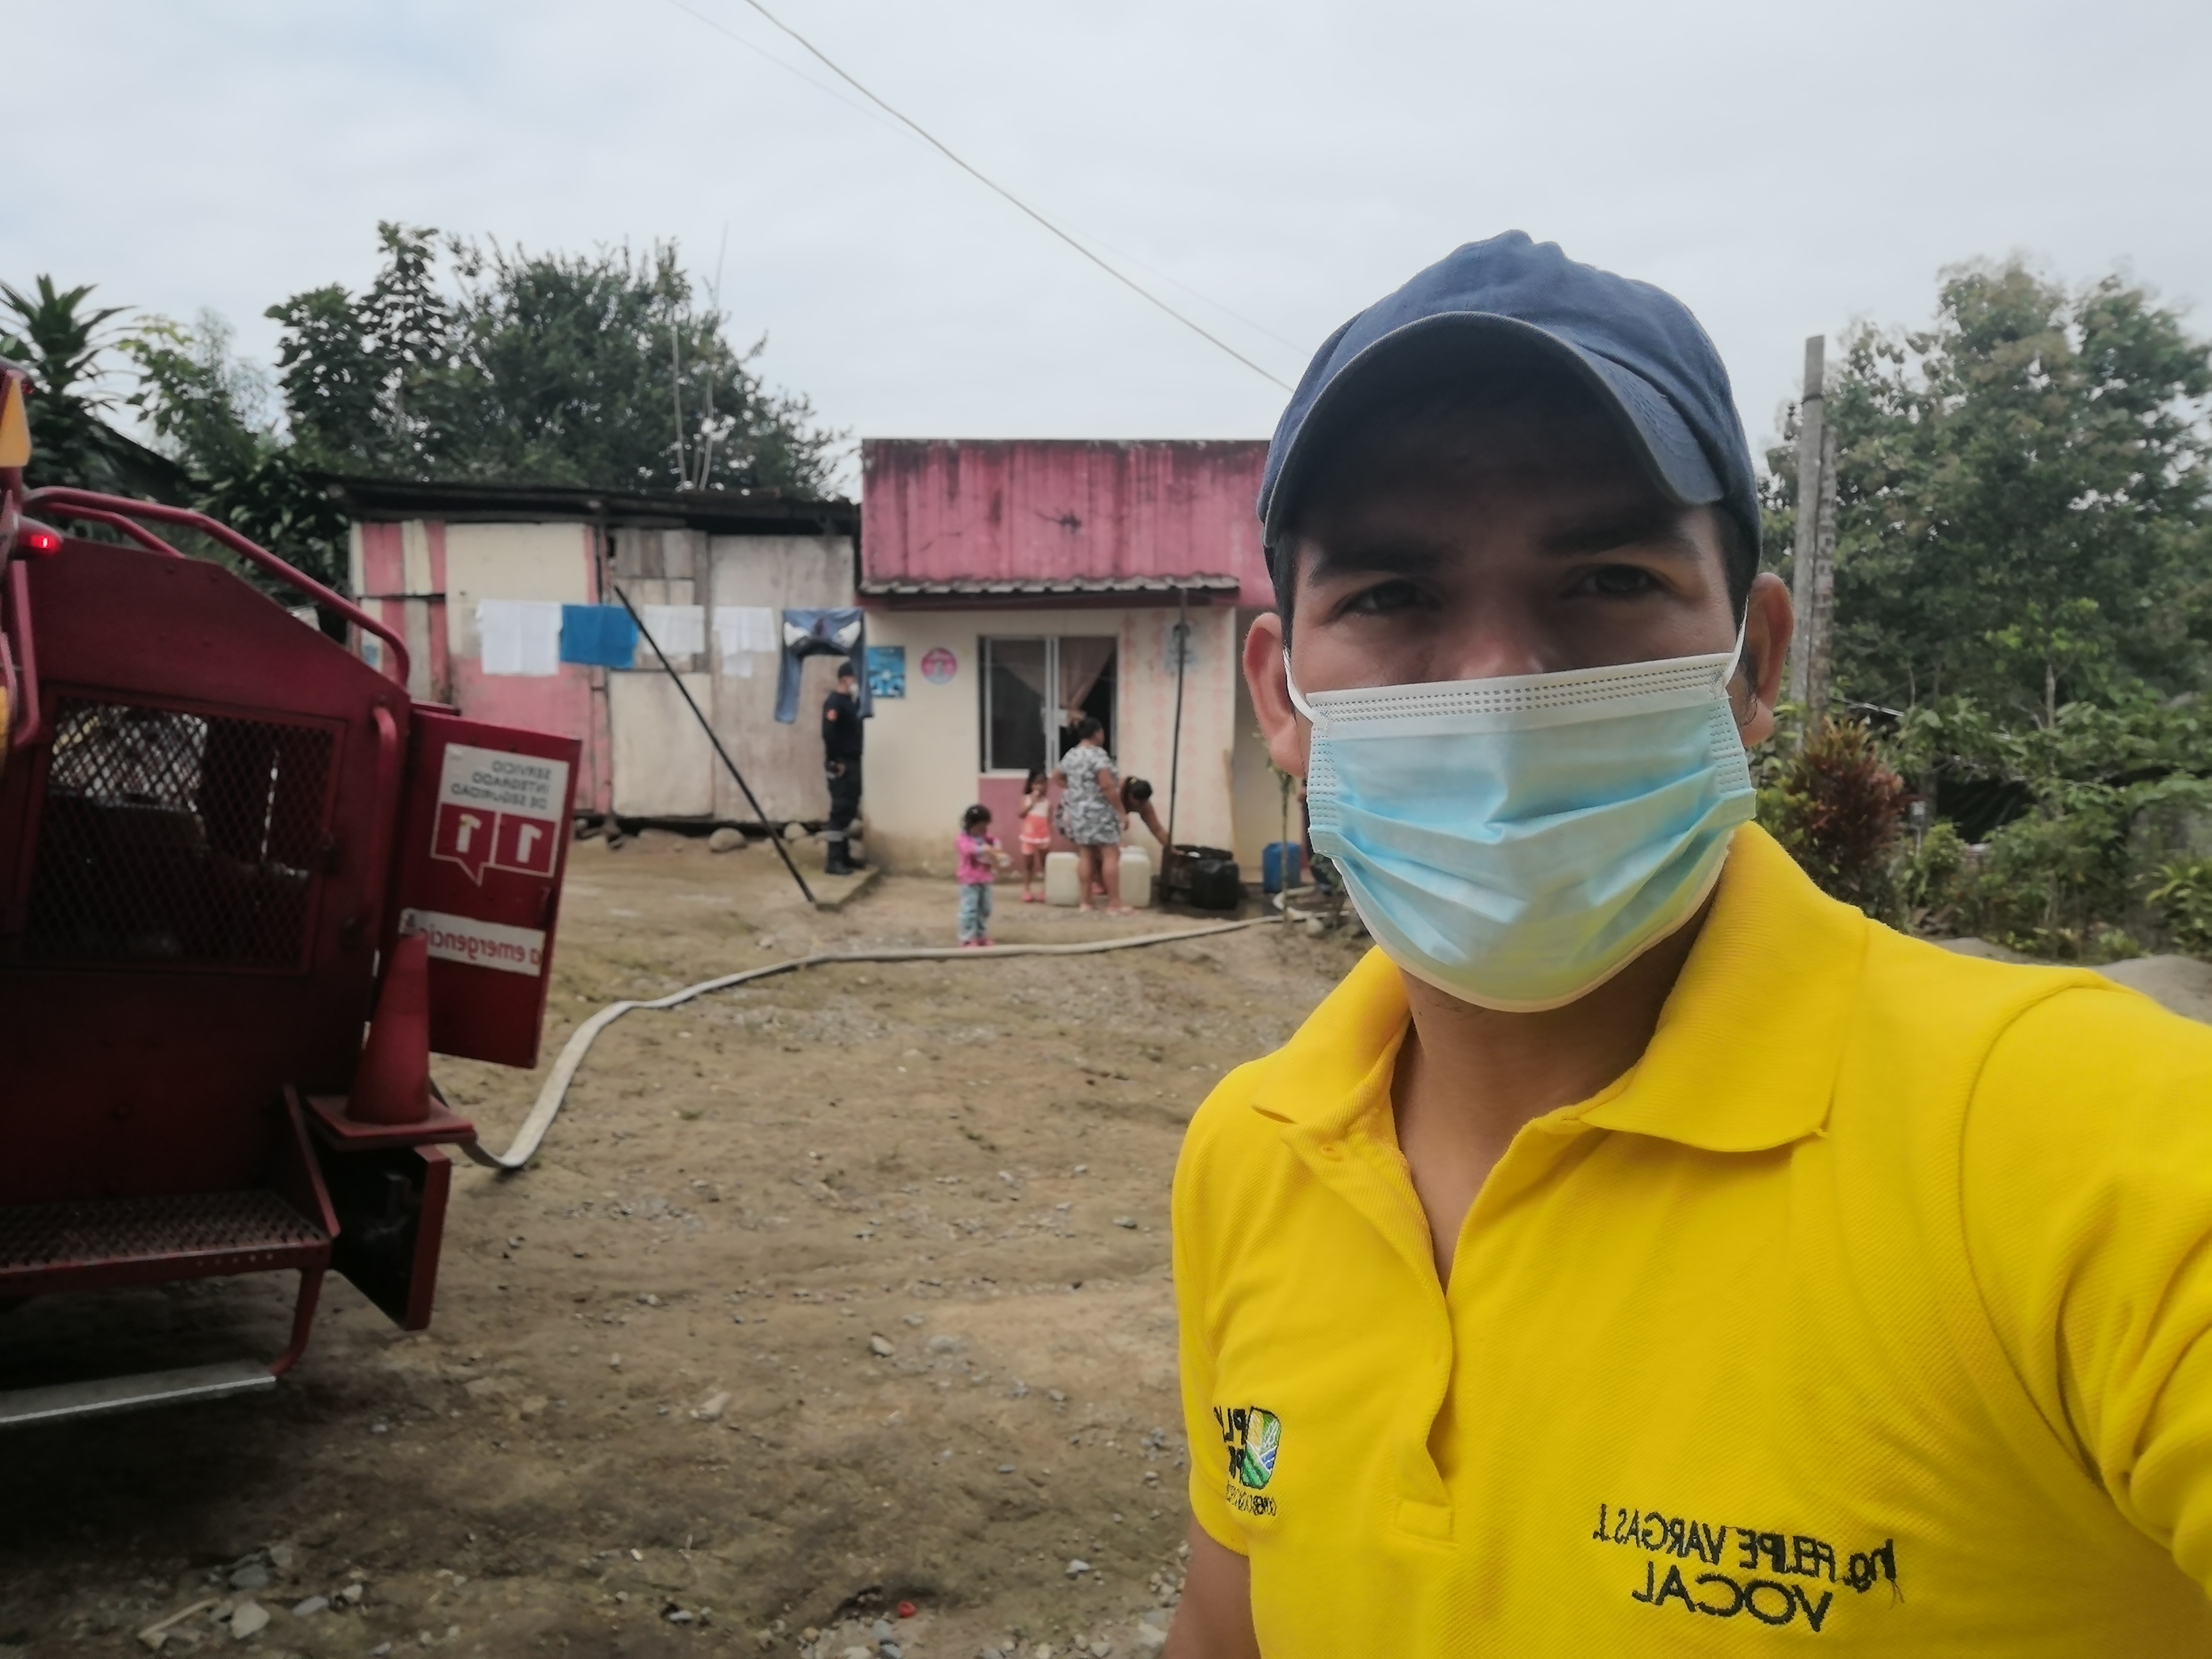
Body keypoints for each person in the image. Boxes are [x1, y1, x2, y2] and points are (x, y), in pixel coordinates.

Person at [1166, 232, 2212, 1657]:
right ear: (1281, 698)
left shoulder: (2094, 1147)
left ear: (1753, 666)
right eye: (1391, 596)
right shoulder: (1249, 1152)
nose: (1501, 686)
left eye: (1604, 578)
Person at [1053, 716, 1130, 916]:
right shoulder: (1099, 756)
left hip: (1078, 812)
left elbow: (1056, 776)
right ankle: (1115, 904)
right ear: (1097, 733)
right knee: (1110, 853)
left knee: (1086, 853)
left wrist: (1076, 789)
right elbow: (1107, 786)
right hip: (1100, 811)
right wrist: (1121, 812)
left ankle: (1086, 903)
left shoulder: (1072, 755)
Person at [820, 660, 864, 875]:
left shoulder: (851, 702)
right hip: (841, 764)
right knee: (840, 809)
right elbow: (829, 733)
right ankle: (834, 860)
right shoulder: (834, 702)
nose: (858, 682)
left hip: (853, 762)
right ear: (846, 678)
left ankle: (845, 857)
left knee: (850, 809)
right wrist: (836, 761)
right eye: (855, 677)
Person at [954, 803, 1007, 948]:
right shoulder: (963, 838)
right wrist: (984, 849)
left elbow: (994, 840)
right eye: (981, 827)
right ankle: (967, 938)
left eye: (986, 827)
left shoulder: (984, 836)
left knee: (985, 909)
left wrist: (996, 846)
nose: (984, 830)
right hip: (970, 879)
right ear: (971, 825)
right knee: (970, 909)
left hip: (985, 878)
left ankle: (981, 935)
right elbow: (968, 851)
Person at [1019, 767, 1054, 903]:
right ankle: (1027, 890)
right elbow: (1021, 814)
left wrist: (1050, 838)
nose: (1040, 787)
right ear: (1031, 784)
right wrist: (1032, 803)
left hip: (1043, 838)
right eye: (1036, 783)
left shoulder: (1048, 804)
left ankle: (1045, 890)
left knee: (1045, 865)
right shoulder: (1026, 799)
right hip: (1028, 837)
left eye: (1043, 783)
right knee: (1029, 865)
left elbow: (1049, 823)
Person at [1120, 776, 1171, 851]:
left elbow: (1158, 830)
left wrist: (1171, 848)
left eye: (1143, 803)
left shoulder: (1145, 805)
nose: (1140, 806)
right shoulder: (1117, 791)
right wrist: (1122, 814)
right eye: (1139, 803)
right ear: (1130, 796)